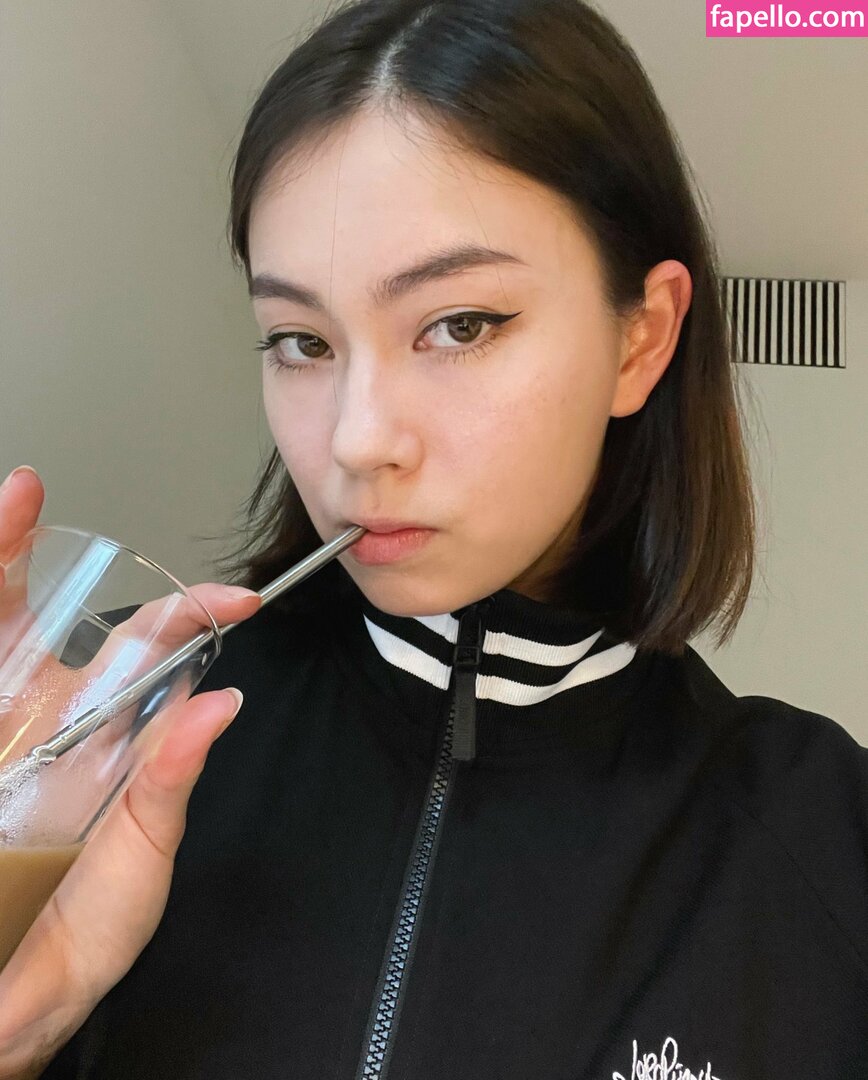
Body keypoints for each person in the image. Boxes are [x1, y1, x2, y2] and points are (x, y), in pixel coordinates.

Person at [1, 0, 866, 1076]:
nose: (356, 442)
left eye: (460, 324)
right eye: (300, 340)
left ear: (640, 340)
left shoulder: (826, 841)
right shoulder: (98, 740)